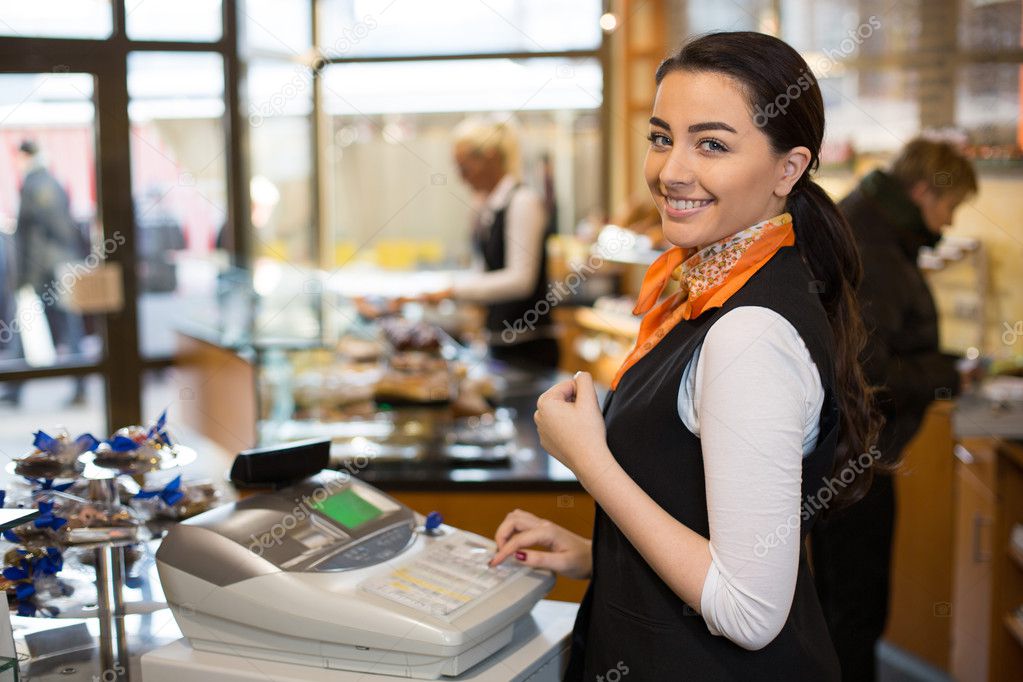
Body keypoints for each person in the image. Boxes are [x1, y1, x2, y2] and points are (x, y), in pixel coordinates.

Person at [489, 32, 881, 680]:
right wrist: (597, 554)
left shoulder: (747, 331)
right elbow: (708, 529)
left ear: (787, 169)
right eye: (661, 136)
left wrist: (589, 459)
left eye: (712, 144)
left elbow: (750, 612)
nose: (671, 170)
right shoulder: (709, 289)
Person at [810, 137, 978, 681]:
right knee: (855, 612)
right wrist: (952, 373)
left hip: (840, 454)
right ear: (926, 191)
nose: (948, 223)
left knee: (837, 606)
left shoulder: (870, 222)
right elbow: (872, 371)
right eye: (950, 207)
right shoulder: (876, 246)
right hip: (855, 460)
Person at [443, 118, 559, 371]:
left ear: (490, 157)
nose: (462, 178)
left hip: (528, 348)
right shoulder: (488, 207)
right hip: (500, 343)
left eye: (464, 167)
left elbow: (520, 280)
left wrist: (454, 291)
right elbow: (485, 270)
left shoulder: (523, 202)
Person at [13, 139, 88, 404]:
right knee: (40, 325)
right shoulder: (45, 180)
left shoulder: (39, 183)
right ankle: (15, 387)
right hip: (50, 265)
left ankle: (80, 385)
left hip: (48, 268)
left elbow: (55, 228)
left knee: (65, 325)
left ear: (24, 156)